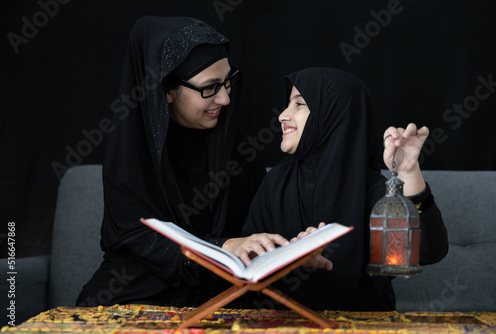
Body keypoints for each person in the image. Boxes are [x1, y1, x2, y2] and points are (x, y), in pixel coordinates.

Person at [76, 16, 274, 307]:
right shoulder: (132, 154)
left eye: (228, 82)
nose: (225, 100)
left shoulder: (235, 147)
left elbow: (262, 219)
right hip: (136, 298)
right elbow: (140, 239)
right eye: (210, 88)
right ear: (166, 90)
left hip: (222, 302)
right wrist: (221, 248)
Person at [223, 67, 449, 311]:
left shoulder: (375, 189)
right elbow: (249, 261)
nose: (282, 116)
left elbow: (427, 252)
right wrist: (288, 255)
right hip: (282, 321)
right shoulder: (275, 182)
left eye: (299, 105)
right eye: (288, 104)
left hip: (366, 324)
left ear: (333, 114)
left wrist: (408, 172)